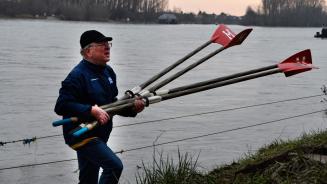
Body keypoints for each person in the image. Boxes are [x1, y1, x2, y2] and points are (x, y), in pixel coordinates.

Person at [54, 30, 145, 184]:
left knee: (88, 180)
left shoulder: (108, 72)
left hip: (100, 134)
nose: (107, 47)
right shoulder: (77, 75)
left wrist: (132, 109)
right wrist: (91, 110)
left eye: (108, 44)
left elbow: (112, 104)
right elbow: (61, 105)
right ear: (88, 51)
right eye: (102, 45)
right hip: (81, 134)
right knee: (114, 166)